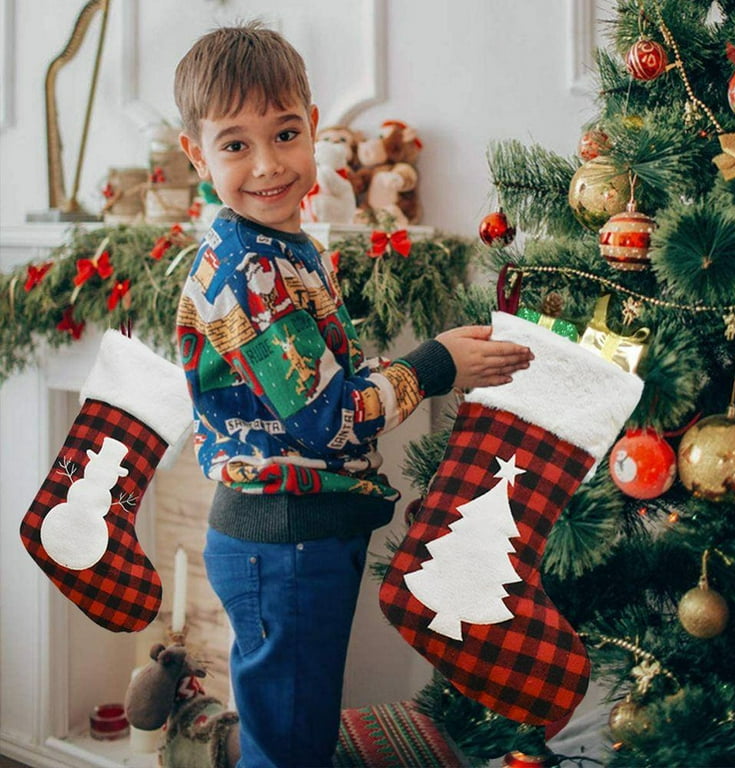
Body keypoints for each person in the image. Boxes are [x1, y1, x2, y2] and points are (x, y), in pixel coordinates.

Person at [173, 20, 534, 768]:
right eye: (236, 144)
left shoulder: (285, 245)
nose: (269, 165)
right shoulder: (251, 269)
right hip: (284, 540)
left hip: (297, 533)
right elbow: (326, 418)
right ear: (196, 154)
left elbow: (324, 375)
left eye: (286, 132)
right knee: (294, 744)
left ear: (314, 129)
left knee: (290, 721)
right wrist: (435, 365)